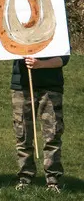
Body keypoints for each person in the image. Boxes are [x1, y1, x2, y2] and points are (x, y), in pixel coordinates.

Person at [11, 55, 70, 193]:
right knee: (22, 133)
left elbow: (64, 58)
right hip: (21, 84)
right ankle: (24, 178)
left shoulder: (59, 32)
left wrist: (40, 64)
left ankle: (53, 181)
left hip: (51, 85)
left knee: (52, 133)